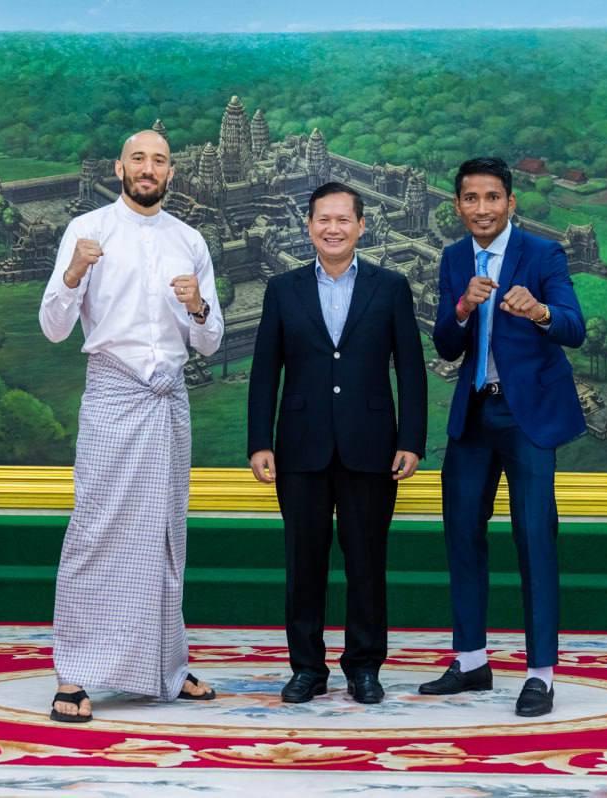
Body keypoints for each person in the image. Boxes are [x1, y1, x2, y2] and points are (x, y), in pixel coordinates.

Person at [38, 129, 224, 722]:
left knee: (165, 533)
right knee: (96, 530)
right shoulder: (88, 231)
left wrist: (196, 306)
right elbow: (53, 328)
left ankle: (165, 667)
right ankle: (75, 674)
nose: (148, 169)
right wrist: (73, 273)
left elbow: (210, 341)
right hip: (113, 395)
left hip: (168, 398)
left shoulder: (189, 240)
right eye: (138, 159)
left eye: (159, 161)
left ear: (172, 173)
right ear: (119, 168)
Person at [247, 182, 427, 705]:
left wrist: (411, 440)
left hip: (371, 447)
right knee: (303, 563)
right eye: (323, 219)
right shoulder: (283, 289)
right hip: (300, 447)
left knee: (366, 562)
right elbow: (265, 371)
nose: (333, 228)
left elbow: (411, 370)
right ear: (308, 226)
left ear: (361, 226)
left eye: (343, 219)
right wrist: (260, 441)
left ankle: (364, 668)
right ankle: (307, 668)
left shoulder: (390, 287)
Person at [419, 157, 586, 717]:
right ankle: (471, 661)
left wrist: (538, 311)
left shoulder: (543, 254)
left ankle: (540, 674)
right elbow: (446, 345)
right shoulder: (452, 258)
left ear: (510, 203)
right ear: (458, 205)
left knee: (534, 536)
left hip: (527, 415)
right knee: (462, 533)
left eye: (493, 197)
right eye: (471, 198)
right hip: (473, 414)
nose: (482, 208)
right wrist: (463, 306)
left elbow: (574, 327)